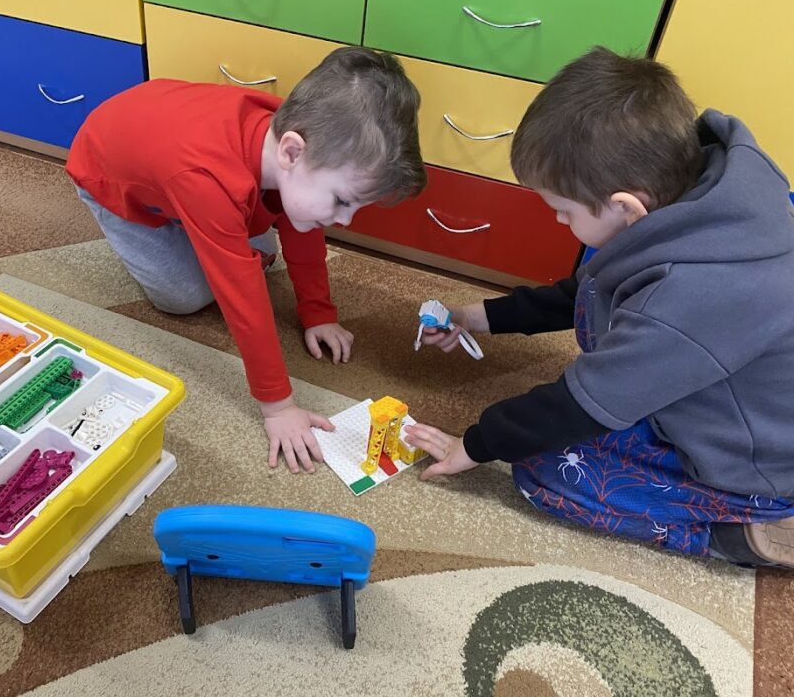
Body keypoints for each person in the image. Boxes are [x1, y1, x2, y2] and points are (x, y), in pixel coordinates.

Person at [406, 47, 794, 567]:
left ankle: (740, 531)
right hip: (723, 392)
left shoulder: (689, 296)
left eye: (563, 211)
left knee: (543, 471)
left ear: (627, 207)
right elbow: (589, 292)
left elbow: (579, 404)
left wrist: (475, 445)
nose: (558, 222)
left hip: (757, 464)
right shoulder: (697, 199)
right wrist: (476, 316)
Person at [67, 47, 426, 474]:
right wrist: (279, 407)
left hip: (173, 153)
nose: (345, 220)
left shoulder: (301, 138)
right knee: (184, 296)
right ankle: (192, 226)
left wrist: (318, 312)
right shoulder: (208, 178)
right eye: (342, 201)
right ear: (291, 153)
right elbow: (243, 299)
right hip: (113, 180)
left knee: (282, 219)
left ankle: (208, 228)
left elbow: (302, 228)